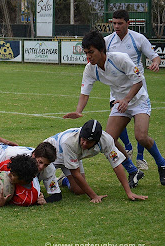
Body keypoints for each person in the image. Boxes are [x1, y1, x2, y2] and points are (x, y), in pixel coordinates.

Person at [64, 30, 165, 188]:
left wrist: (127, 99)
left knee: (141, 136)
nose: (88, 57)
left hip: (138, 99)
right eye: (86, 53)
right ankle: (133, 171)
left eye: (91, 52)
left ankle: (162, 164)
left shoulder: (120, 59)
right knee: (108, 140)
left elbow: (138, 81)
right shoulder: (90, 69)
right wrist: (78, 111)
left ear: (101, 50)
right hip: (120, 103)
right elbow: (84, 93)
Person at [105, 9, 161, 171]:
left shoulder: (138, 39)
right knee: (110, 137)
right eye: (114, 23)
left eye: (120, 23)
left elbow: (154, 56)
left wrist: (156, 63)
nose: (116, 26)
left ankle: (146, 159)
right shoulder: (108, 41)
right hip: (117, 92)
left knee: (141, 135)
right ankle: (130, 161)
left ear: (128, 23)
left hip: (137, 92)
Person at [45, 120, 147, 203]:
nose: (84, 144)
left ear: (97, 141)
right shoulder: (69, 142)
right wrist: (94, 196)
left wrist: (129, 192)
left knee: (79, 190)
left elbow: (116, 165)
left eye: (89, 142)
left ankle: (63, 180)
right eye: (83, 139)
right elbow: (75, 173)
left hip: (74, 157)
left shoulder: (106, 140)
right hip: (52, 155)